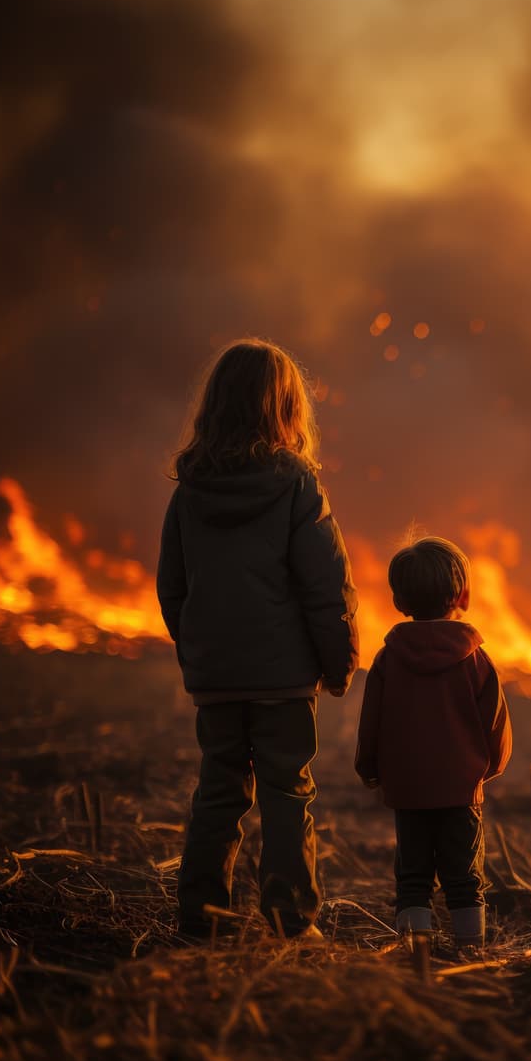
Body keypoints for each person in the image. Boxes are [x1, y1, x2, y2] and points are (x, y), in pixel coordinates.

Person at [157, 339, 358, 941]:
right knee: (287, 795)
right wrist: (339, 664)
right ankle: (290, 923)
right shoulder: (297, 487)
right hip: (284, 680)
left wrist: (199, 652)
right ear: (287, 409)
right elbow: (327, 587)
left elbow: (173, 588)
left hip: (217, 681)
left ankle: (202, 920)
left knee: (218, 793)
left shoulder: (189, 490)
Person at [354, 535, 512, 952]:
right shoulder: (476, 661)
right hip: (461, 791)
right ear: (463, 595)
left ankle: (415, 952)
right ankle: (470, 950)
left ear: (398, 600)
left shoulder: (387, 660)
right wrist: (486, 770)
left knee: (412, 877)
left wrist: (370, 769)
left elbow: (371, 722)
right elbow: (496, 726)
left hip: (408, 791)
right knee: (465, 877)